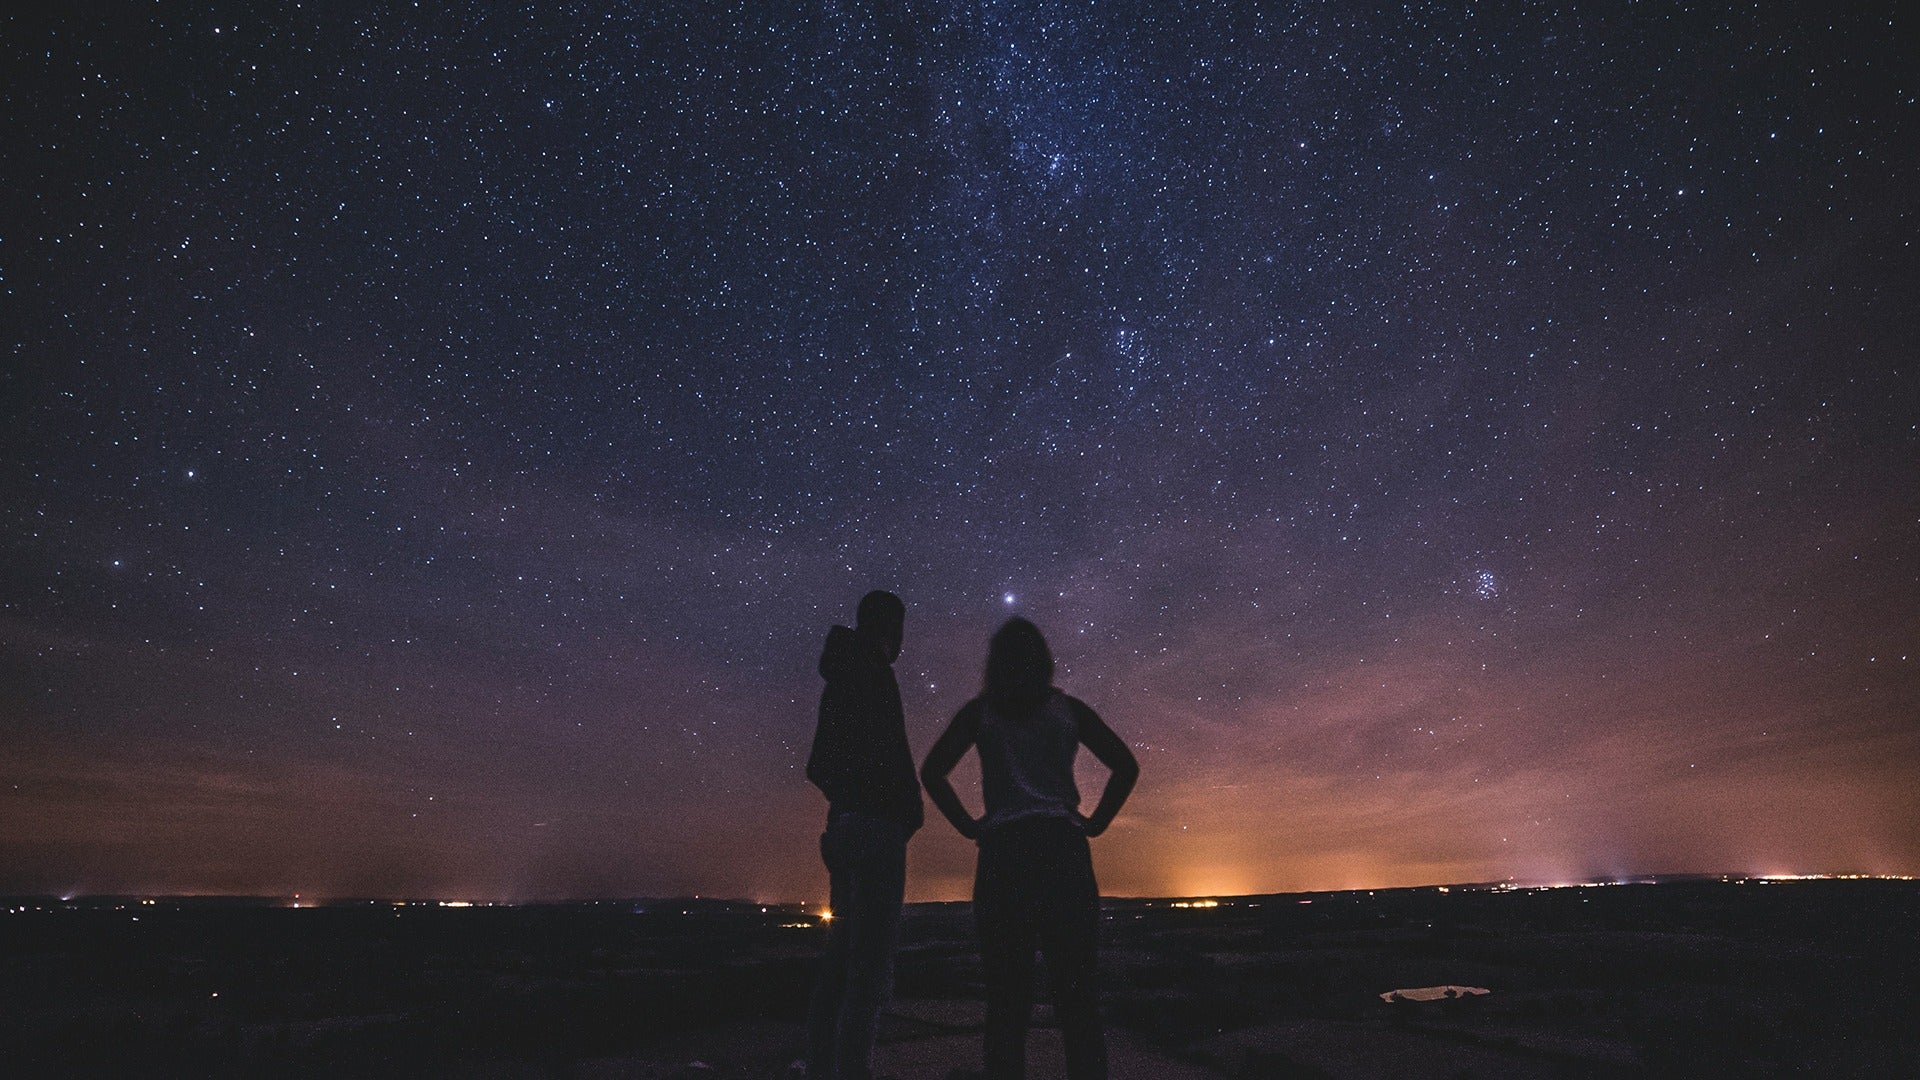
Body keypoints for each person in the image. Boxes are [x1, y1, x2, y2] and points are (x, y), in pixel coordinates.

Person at [920, 618, 1139, 1080]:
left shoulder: (981, 712)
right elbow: (1125, 764)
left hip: (1004, 855)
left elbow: (933, 771)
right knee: (1077, 999)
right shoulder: (1067, 710)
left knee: (1007, 1003)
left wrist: (969, 826)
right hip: (1063, 851)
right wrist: (1095, 823)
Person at [805, 590, 923, 1080]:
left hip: (848, 825)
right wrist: (900, 811)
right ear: (887, 629)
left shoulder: (842, 675)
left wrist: (846, 811)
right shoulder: (874, 674)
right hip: (874, 830)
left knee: (841, 966)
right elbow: (889, 758)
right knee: (868, 974)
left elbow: (821, 764)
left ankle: (823, 1069)